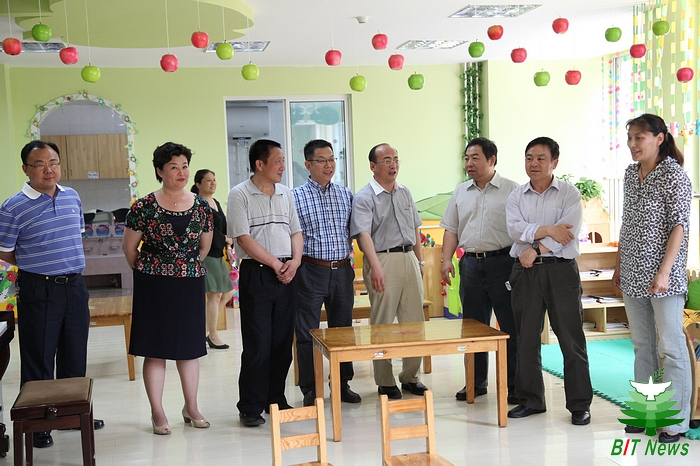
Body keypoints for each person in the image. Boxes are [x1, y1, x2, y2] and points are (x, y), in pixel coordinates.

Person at [0, 140, 104, 449]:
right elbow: (4, 250)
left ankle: (72, 415)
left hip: (75, 285)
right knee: (39, 358)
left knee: (75, 353)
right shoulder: (13, 206)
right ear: (26, 169)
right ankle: (38, 424)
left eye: (54, 163)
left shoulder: (72, 196)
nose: (49, 169)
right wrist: (33, 263)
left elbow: (73, 237)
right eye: (40, 164)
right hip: (39, 288)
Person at [122, 142, 213, 435]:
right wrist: (154, 269)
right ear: (160, 171)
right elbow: (129, 248)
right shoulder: (144, 206)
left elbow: (204, 247)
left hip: (189, 282)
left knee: (189, 348)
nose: (181, 172)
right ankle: (157, 411)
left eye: (185, 166)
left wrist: (182, 266)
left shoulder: (202, 206)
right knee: (155, 349)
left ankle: (191, 406)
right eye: (174, 167)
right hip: (153, 284)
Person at [613, 114, 692, 443]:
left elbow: (680, 226)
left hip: (664, 277)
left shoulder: (674, 175)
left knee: (671, 347)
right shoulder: (630, 174)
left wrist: (664, 272)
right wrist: (619, 263)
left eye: (639, 137)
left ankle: (674, 422)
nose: (632, 144)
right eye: (630, 138)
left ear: (659, 138)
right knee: (642, 345)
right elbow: (627, 221)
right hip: (632, 272)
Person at [505, 136, 593, 426]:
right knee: (526, 338)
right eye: (529, 158)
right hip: (525, 274)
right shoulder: (517, 196)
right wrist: (548, 230)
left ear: (554, 162)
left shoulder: (569, 194)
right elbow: (514, 229)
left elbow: (567, 233)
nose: (534, 163)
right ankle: (531, 400)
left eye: (541, 158)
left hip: (561, 271)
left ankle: (579, 405)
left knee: (571, 339)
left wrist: (535, 248)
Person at [227, 139, 302, 427]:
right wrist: (275, 264)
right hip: (257, 273)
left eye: (283, 160)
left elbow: (295, 231)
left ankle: (275, 398)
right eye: (278, 161)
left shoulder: (286, 193)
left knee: (282, 341)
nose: (283, 166)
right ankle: (250, 406)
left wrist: (294, 262)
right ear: (260, 164)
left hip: (287, 272)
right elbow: (243, 238)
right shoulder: (239, 194)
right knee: (258, 343)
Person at [440, 137, 519, 405]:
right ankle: (476, 382)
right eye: (466, 158)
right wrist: (446, 260)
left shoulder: (512, 190)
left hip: (503, 263)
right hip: (470, 265)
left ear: (492, 160)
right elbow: (451, 228)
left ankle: (514, 384)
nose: (469, 163)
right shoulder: (460, 191)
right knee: (473, 328)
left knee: (509, 326)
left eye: (475, 158)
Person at [349, 143, 428, 400]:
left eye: (395, 159)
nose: (393, 164)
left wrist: (420, 261)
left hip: (408, 258)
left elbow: (415, 228)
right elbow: (363, 235)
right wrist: (375, 267)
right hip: (382, 258)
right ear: (373, 166)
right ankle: (384, 381)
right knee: (382, 323)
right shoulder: (365, 197)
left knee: (414, 321)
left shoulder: (405, 192)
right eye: (386, 160)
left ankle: (410, 376)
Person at [292, 139, 361, 407]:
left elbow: (354, 232)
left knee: (343, 331)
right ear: (308, 164)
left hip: (342, 271)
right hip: (310, 270)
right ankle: (310, 388)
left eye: (331, 159)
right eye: (321, 160)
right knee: (307, 331)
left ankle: (342, 384)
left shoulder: (345, 194)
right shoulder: (295, 197)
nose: (328, 165)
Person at [191, 169, 235, 350]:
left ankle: (202, 330)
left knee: (229, 292)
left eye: (214, 180)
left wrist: (229, 247)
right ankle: (213, 335)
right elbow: (205, 229)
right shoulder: (197, 204)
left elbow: (224, 226)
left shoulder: (215, 202)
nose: (213, 183)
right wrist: (225, 239)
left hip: (218, 253)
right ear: (198, 184)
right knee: (214, 295)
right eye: (208, 180)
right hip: (206, 253)